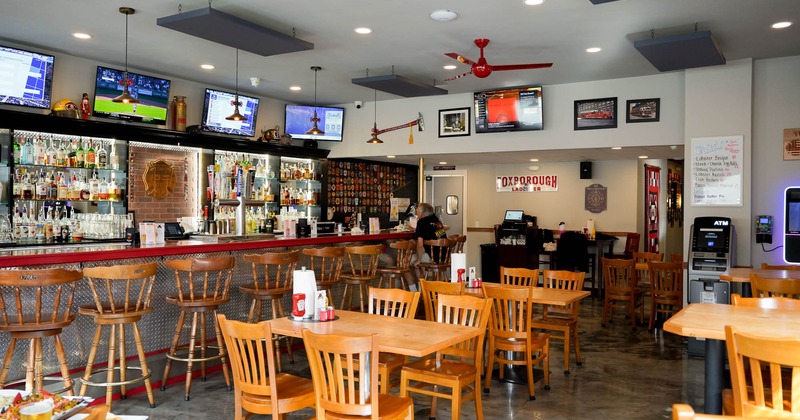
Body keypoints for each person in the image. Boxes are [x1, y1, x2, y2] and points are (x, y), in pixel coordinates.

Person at [407, 202, 447, 290]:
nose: (416, 212)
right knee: (417, 264)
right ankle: (422, 289)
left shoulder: (421, 222)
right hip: (443, 257)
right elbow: (436, 234)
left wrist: (419, 259)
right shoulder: (437, 221)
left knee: (405, 261)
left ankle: (415, 291)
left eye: (417, 210)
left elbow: (420, 244)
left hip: (431, 257)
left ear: (421, 212)